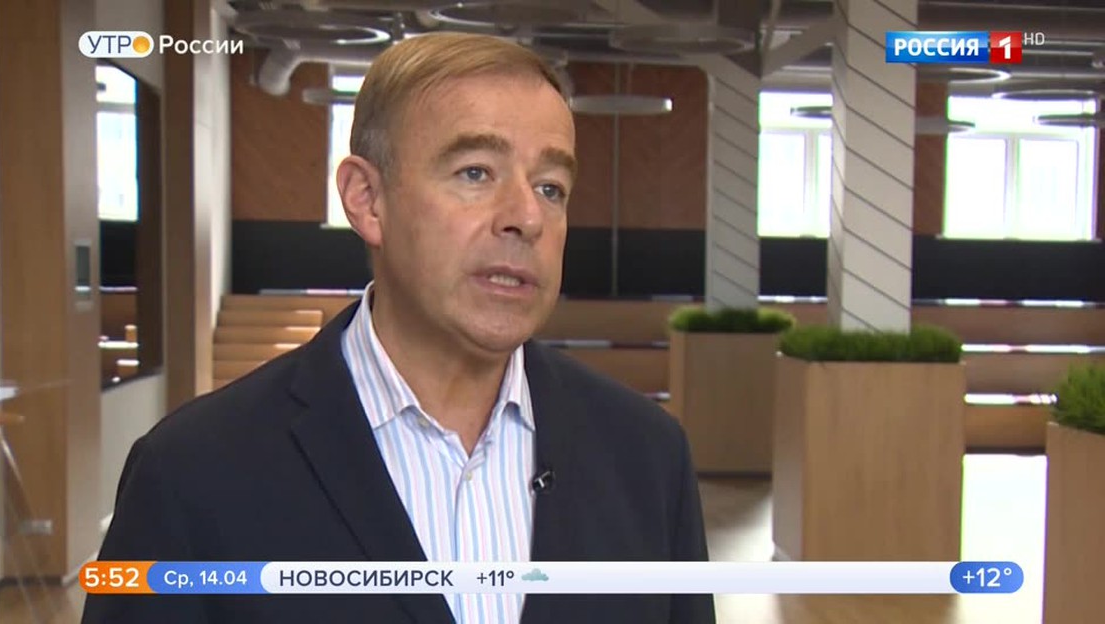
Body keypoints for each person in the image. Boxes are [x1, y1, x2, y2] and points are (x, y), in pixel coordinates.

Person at [82, 32, 714, 624]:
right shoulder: (191, 472)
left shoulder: (648, 457)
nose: (527, 216)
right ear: (367, 199)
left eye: (551, 187)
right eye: (475, 172)